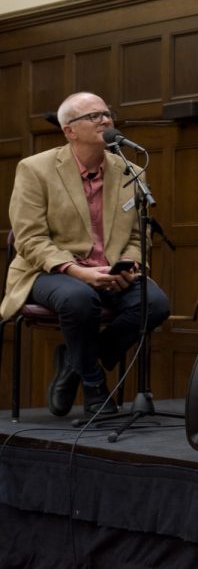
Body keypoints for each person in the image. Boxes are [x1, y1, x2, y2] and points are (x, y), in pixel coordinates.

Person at [2, 92, 171, 416]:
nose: (105, 120)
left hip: (109, 270)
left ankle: (75, 362)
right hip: (49, 271)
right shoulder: (35, 169)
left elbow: (139, 234)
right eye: (93, 116)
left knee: (155, 303)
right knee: (80, 299)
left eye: (107, 114)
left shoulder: (130, 171)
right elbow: (29, 239)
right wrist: (77, 271)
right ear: (70, 131)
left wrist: (131, 265)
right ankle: (93, 385)